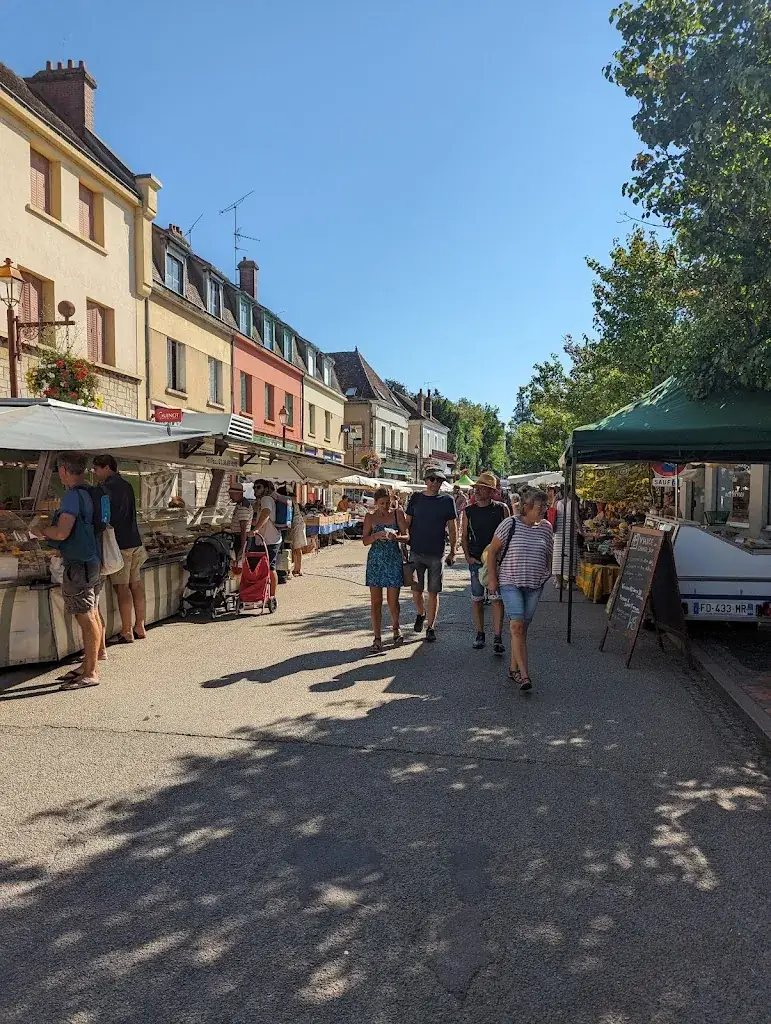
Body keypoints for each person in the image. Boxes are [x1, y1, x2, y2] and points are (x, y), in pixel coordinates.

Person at [31, 453, 103, 690]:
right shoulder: (90, 491)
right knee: (92, 612)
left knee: (86, 616)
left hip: (79, 563)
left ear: (63, 470)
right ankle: (87, 665)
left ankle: (91, 672)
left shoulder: (72, 496)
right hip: (93, 559)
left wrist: (42, 531)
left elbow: (62, 533)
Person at [486, 489, 553, 692]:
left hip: (535, 585)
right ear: (527, 507)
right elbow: (492, 552)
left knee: (522, 629)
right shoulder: (510, 524)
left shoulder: (546, 527)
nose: (544, 509)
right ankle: (524, 676)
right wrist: (492, 579)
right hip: (510, 582)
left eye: (545, 506)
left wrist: (547, 572)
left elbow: (548, 552)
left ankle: (513, 667)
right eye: (541, 506)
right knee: (516, 626)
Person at [93, 455, 147, 644]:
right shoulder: (127, 485)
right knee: (136, 585)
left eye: (96, 469)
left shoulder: (105, 488)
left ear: (107, 468)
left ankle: (126, 631)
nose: (95, 473)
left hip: (119, 544)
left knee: (122, 587)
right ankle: (140, 626)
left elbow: (103, 518)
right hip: (135, 541)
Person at [405, 466, 458, 642]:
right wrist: (401, 539)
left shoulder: (447, 501)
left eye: (440, 480)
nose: (436, 483)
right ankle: (421, 613)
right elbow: (407, 522)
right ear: (426, 480)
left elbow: (452, 527)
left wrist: (453, 551)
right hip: (416, 550)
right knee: (416, 590)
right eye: (433, 479)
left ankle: (431, 627)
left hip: (436, 553)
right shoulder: (416, 498)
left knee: (433, 592)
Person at [462, 471, 509, 653]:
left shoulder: (501, 509)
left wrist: (503, 557)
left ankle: (497, 637)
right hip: (476, 560)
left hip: (496, 562)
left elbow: (509, 534)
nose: (477, 491)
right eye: (477, 488)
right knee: (477, 599)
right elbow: (464, 536)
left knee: (497, 599)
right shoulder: (469, 511)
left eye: (482, 488)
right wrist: (467, 556)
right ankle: (480, 634)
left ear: (491, 492)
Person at [363, 487, 409, 652]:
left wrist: (396, 537)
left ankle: (396, 628)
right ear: (376, 502)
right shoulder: (370, 517)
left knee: (393, 601)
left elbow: (407, 536)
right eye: (382, 503)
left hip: (393, 559)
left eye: (388, 503)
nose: (385, 506)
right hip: (375, 561)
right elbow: (365, 541)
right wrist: (376, 536)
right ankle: (377, 638)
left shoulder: (398, 514)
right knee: (376, 602)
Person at [252, 479, 283, 611]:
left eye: (258, 487)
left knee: (270, 567)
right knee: (261, 568)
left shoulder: (266, 499)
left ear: (265, 488)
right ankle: (262, 594)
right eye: (254, 487)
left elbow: (266, 514)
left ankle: (271, 597)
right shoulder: (261, 501)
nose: (255, 490)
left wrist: (255, 529)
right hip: (263, 539)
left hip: (270, 540)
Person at [552, 486, 583, 587]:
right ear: (570, 491)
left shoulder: (557, 503)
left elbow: (553, 517)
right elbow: (576, 518)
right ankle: (570, 582)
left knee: (558, 556)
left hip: (559, 533)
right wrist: (581, 530)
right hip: (570, 532)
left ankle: (559, 582)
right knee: (570, 556)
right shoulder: (573, 502)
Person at [226, 482, 254, 563]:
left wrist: (242, 547)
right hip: (238, 537)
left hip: (241, 538)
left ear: (238, 494)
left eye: (232, 494)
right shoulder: (240, 505)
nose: (230, 497)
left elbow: (243, 528)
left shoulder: (243, 507)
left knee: (239, 562)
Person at [287, 491, 307, 576]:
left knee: (297, 549)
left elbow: (289, 516)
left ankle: (298, 569)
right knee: (297, 549)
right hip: (298, 525)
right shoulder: (295, 504)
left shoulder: (290, 503)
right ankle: (297, 568)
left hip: (296, 526)